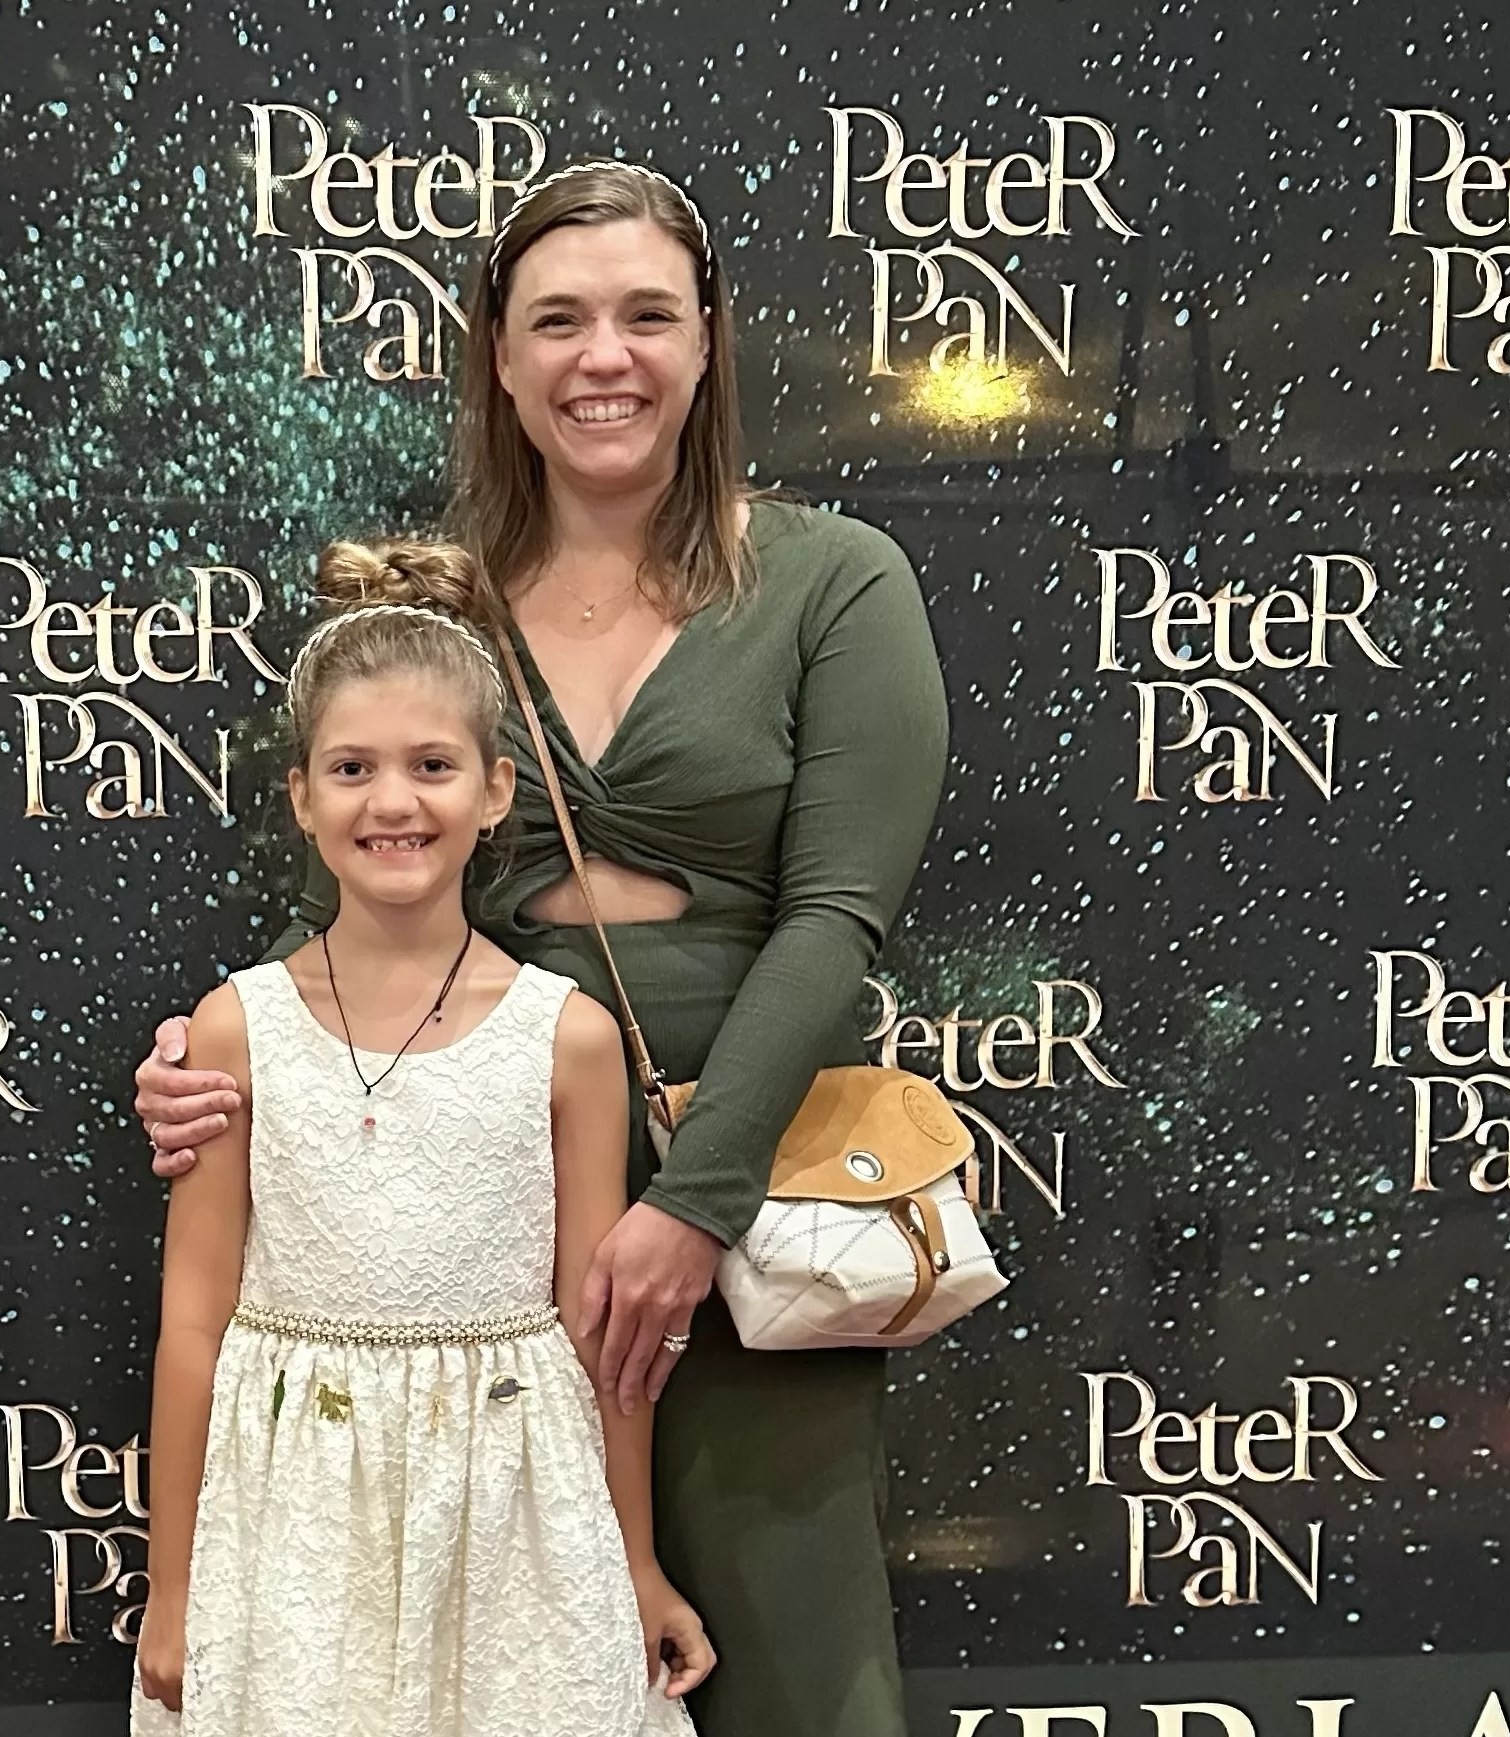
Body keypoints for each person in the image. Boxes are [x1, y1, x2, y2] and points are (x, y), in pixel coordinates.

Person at [137, 161, 949, 1735]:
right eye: (559, 319)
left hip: (762, 1202)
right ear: (497, 357)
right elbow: (364, 886)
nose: (606, 357)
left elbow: (840, 915)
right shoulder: (437, 608)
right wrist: (210, 1067)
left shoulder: (836, 581)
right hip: (475, 1224)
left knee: (798, 1665)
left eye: (649, 315)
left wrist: (691, 1205)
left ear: (708, 341)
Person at [131, 536, 713, 1737]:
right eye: (351, 766)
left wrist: (635, 1561)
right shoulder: (238, 1029)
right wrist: (173, 1587)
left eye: (432, 765)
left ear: (495, 790)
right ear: (301, 796)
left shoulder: (572, 1039)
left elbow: (598, 1339)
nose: (392, 801)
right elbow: (194, 1322)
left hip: (513, 1525)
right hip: (296, 1532)